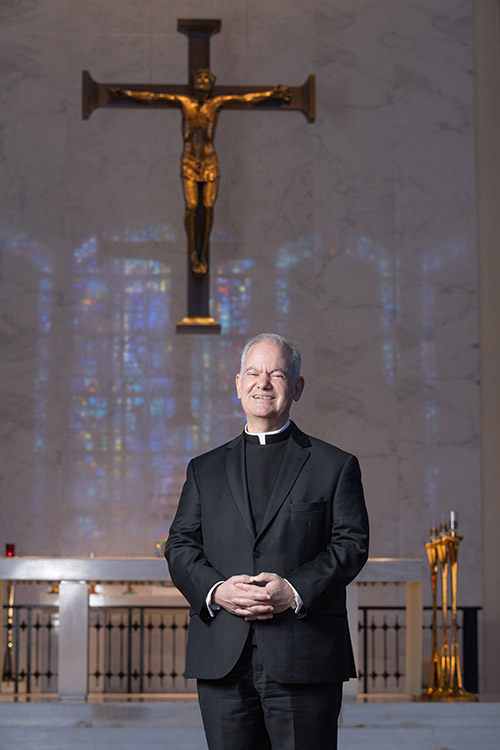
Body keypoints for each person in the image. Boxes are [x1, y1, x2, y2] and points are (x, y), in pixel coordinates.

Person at [165, 332, 369, 750]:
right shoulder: (204, 469)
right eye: (254, 373)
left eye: (277, 374)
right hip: (223, 657)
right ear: (237, 383)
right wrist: (217, 590)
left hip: (304, 655)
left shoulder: (334, 465)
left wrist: (293, 590)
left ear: (297, 387)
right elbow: (181, 544)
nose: (263, 383)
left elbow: (350, 543)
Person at [108, 71, 290, 278]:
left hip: (210, 161)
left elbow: (246, 99)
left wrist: (272, 94)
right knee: (192, 207)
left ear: (213, 83)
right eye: (199, 79)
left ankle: (202, 254)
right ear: (193, 83)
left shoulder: (217, 104)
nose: (202, 82)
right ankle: (193, 254)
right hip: (189, 161)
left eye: (206, 79)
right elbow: (153, 97)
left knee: (209, 206)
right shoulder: (184, 102)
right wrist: (125, 93)